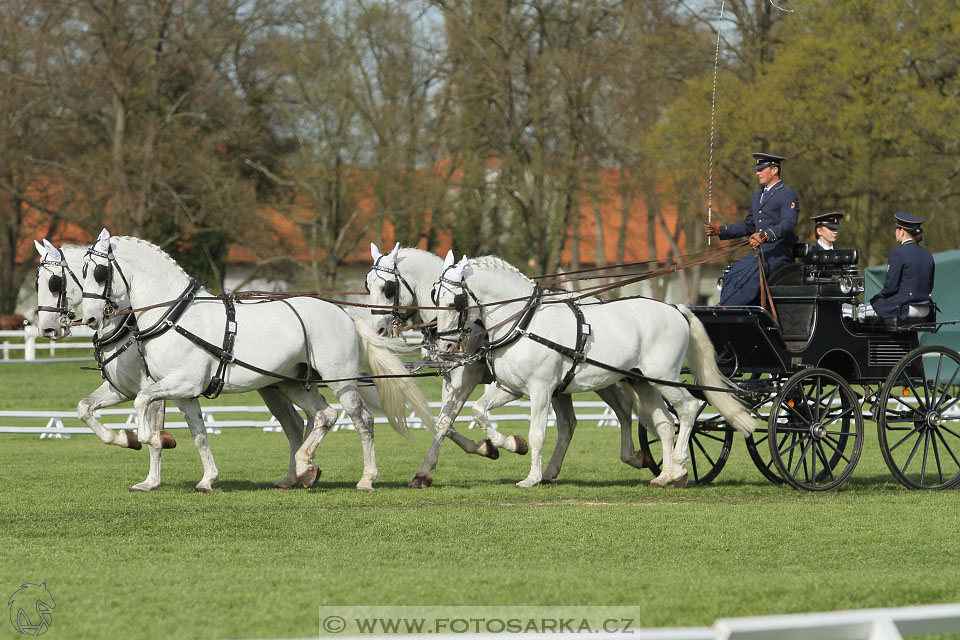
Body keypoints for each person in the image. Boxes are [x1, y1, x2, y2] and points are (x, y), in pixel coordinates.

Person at [704, 152, 800, 306]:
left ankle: (729, 310)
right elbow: (749, 225)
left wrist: (765, 235)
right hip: (760, 251)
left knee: (748, 277)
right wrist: (720, 230)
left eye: (761, 169)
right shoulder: (757, 196)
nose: (757, 173)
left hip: (779, 252)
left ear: (774, 170)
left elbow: (789, 223)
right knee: (731, 275)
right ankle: (725, 308)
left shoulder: (787, 194)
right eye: (757, 169)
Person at [854, 212, 935, 320]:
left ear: (902, 232)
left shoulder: (898, 253)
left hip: (905, 307)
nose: (895, 231)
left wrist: (875, 300)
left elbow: (890, 288)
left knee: (858, 312)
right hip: (926, 309)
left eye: (897, 228)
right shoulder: (928, 255)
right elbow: (930, 286)